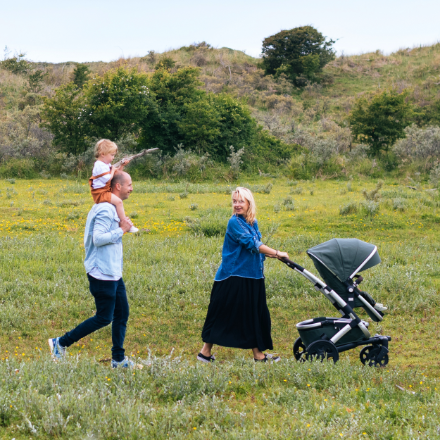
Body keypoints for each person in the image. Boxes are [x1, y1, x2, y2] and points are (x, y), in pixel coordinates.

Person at [49, 171, 136, 368]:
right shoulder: (105, 209)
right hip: (102, 273)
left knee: (122, 314)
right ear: (118, 186)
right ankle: (60, 343)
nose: (131, 188)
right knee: (104, 317)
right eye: (129, 184)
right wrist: (121, 230)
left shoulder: (111, 207)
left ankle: (118, 359)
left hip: (113, 272)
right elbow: (98, 239)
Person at [198, 187, 289, 363]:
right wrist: (277, 252)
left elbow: (256, 247)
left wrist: (272, 255)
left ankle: (257, 355)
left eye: (241, 201)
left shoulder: (252, 222)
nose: (237, 205)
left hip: (253, 275)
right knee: (222, 313)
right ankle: (205, 352)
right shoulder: (234, 222)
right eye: (234, 201)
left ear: (249, 203)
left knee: (253, 314)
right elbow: (252, 244)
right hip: (233, 276)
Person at [89, 139, 138, 233]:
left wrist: (122, 166)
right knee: (119, 202)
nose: (113, 158)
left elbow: (116, 175)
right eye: (111, 155)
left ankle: (121, 222)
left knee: (117, 203)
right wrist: (112, 170)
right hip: (101, 193)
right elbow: (107, 179)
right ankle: (125, 224)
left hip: (104, 191)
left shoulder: (105, 165)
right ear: (102, 154)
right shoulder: (99, 166)